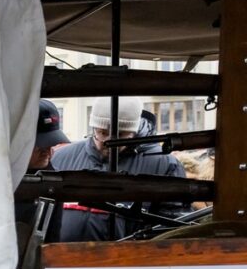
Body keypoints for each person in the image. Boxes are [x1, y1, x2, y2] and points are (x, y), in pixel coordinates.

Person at [51, 96, 186, 241]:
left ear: (134, 131)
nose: (109, 141)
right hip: (61, 259)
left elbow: (172, 231)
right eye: (102, 132)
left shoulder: (164, 165)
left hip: (128, 260)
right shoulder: (61, 157)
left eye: (120, 134)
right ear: (93, 127)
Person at [16, 99, 68, 244]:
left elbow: (52, 240)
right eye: (40, 145)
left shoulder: (53, 182)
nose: (48, 151)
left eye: (51, 144)